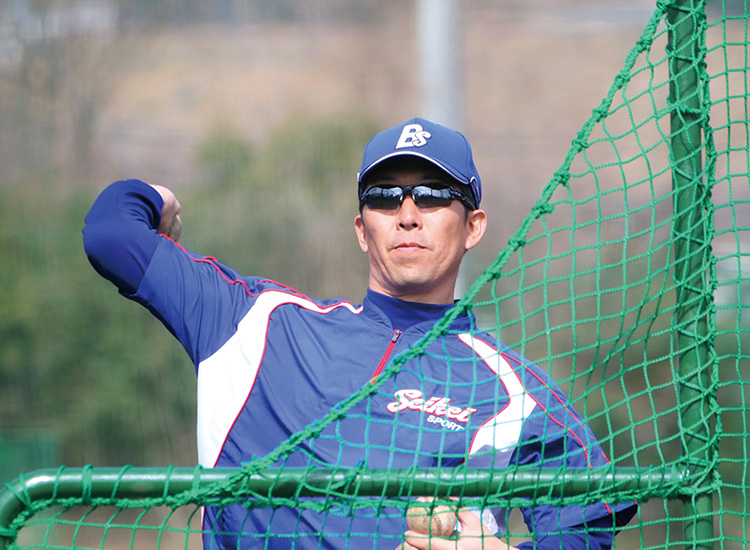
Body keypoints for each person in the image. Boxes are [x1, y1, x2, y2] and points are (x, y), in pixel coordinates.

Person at [83, 117, 636, 549]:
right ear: (361, 229)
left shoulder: (515, 391)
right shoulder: (255, 323)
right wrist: (158, 196)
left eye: (435, 193)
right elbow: (109, 235)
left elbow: (585, 528)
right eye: (385, 196)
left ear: (473, 227)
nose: (408, 213)